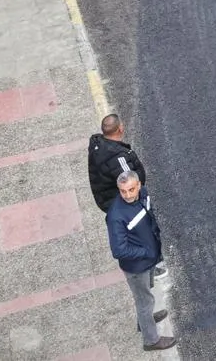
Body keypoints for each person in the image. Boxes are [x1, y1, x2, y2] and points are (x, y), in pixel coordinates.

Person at [106, 172, 175, 351]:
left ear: (138, 185)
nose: (128, 195)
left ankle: (144, 322)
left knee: (145, 297)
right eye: (123, 191)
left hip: (147, 261)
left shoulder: (142, 195)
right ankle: (151, 340)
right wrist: (146, 251)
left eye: (131, 189)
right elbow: (118, 250)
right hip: (137, 267)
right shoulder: (116, 216)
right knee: (145, 301)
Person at [88, 114, 147, 213]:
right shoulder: (118, 157)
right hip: (121, 203)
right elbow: (131, 181)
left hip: (104, 198)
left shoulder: (96, 145)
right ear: (120, 129)